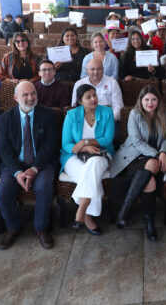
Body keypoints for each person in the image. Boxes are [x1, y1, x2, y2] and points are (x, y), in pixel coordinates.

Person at [0, 82, 58, 250]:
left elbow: (50, 145)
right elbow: (4, 149)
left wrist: (34, 168)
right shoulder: (5, 118)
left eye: (33, 93)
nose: (31, 98)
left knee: (44, 187)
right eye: (25, 95)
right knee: (3, 192)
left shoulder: (48, 115)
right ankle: (13, 227)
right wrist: (17, 172)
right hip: (15, 164)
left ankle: (41, 228)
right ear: (16, 98)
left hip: (41, 164)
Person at [110, 85, 166, 241]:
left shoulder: (165, 114)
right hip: (134, 156)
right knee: (151, 174)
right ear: (141, 100)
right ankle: (149, 222)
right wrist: (158, 154)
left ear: (158, 101)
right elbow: (137, 142)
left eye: (153, 99)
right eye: (146, 99)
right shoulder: (135, 114)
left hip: (157, 157)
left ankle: (125, 210)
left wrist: (164, 152)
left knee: (151, 170)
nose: (150, 103)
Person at [61, 85, 115, 235]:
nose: (93, 99)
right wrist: (84, 149)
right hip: (73, 156)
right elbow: (66, 144)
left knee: (93, 165)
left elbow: (107, 139)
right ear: (79, 101)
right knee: (90, 176)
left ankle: (82, 207)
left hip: (101, 153)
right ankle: (87, 217)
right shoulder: (71, 115)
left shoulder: (107, 112)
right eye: (88, 97)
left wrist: (85, 143)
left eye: (94, 95)